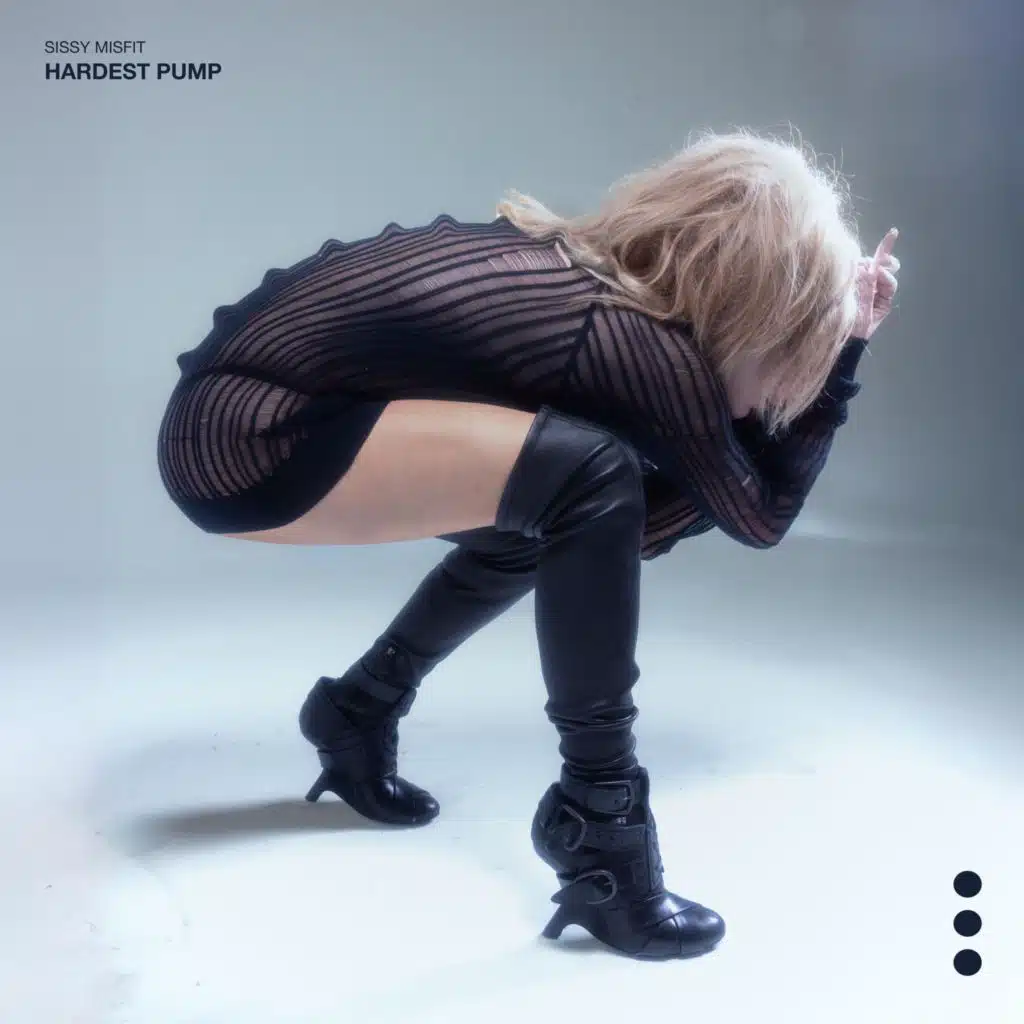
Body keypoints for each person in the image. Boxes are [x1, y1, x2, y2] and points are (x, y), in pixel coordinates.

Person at [156, 128, 899, 961]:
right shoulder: (640, 347)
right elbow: (761, 515)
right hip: (244, 439)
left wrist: (839, 340)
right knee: (593, 478)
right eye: (786, 347)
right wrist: (846, 362)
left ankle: (357, 710)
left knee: (572, 502)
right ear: (751, 303)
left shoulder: (598, 294)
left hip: (233, 421)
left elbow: (700, 502)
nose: (772, 385)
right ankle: (601, 830)